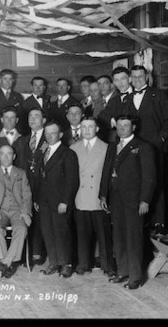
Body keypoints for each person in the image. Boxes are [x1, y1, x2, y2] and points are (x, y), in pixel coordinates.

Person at [99, 114, 155, 290]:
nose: (122, 129)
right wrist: (102, 195)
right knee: (119, 236)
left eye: (126, 126)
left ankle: (135, 276)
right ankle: (123, 271)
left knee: (133, 238)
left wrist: (145, 200)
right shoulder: (112, 146)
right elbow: (106, 171)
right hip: (115, 199)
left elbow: (149, 177)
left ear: (134, 128)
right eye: (119, 126)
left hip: (134, 201)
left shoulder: (142, 147)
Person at [129, 65, 168, 234]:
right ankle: (143, 222)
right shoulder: (127, 98)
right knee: (138, 184)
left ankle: (160, 223)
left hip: (155, 147)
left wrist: (160, 138)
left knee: (156, 183)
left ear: (147, 76)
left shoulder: (159, 95)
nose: (137, 80)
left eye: (140, 76)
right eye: (133, 77)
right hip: (134, 149)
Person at [70, 117, 116, 277]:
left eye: (90, 127)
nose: (87, 130)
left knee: (103, 235)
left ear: (97, 129)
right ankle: (83, 264)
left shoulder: (106, 148)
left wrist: (105, 196)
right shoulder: (73, 147)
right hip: (81, 196)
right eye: (83, 127)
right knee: (82, 234)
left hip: (98, 197)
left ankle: (107, 265)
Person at [34, 120, 79, 279]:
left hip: (59, 201)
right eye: (47, 133)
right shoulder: (42, 152)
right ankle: (53, 262)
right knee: (48, 231)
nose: (49, 136)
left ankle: (66, 264)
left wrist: (65, 201)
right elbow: (39, 177)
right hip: (44, 201)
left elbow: (72, 180)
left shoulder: (68, 153)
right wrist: (37, 199)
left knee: (62, 232)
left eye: (53, 133)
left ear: (60, 135)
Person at [0, 144, 33, 279]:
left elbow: (27, 195)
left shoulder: (21, 173)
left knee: (22, 229)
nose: (5, 157)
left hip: (18, 211)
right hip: (0, 211)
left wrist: (26, 211)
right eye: (2, 154)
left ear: (14, 156)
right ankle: (6, 263)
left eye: (9, 154)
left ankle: (5, 263)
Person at [17, 107, 47, 265]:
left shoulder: (49, 140)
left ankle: (37, 252)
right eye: (30, 116)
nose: (33, 119)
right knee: (24, 216)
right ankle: (23, 253)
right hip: (24, 186)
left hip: (42, 186)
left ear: (44, 120)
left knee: (40, 219)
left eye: (37, 116)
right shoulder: (22, 140)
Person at [0, 69, 24, 135]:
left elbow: (21, 117)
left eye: (10, 79)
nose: (7, 82)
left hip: (14, 132)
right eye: (5, 79)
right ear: (0, 80)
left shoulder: (18, 96)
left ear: (13, 81)